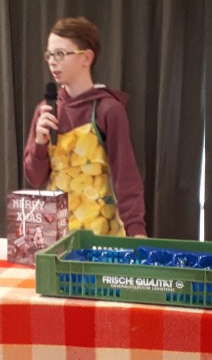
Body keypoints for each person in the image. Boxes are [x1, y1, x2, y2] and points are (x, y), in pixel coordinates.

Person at [23, 16, 147, 237]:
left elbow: (126, 175)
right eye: (49, 55)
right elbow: (34, 178)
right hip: (56, 233)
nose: (52, 62)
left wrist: (136, 230)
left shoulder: (108, 110)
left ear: (86, 58)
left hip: (101, 234)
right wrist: (40, 144)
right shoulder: (46, 110)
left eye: (60, 54)